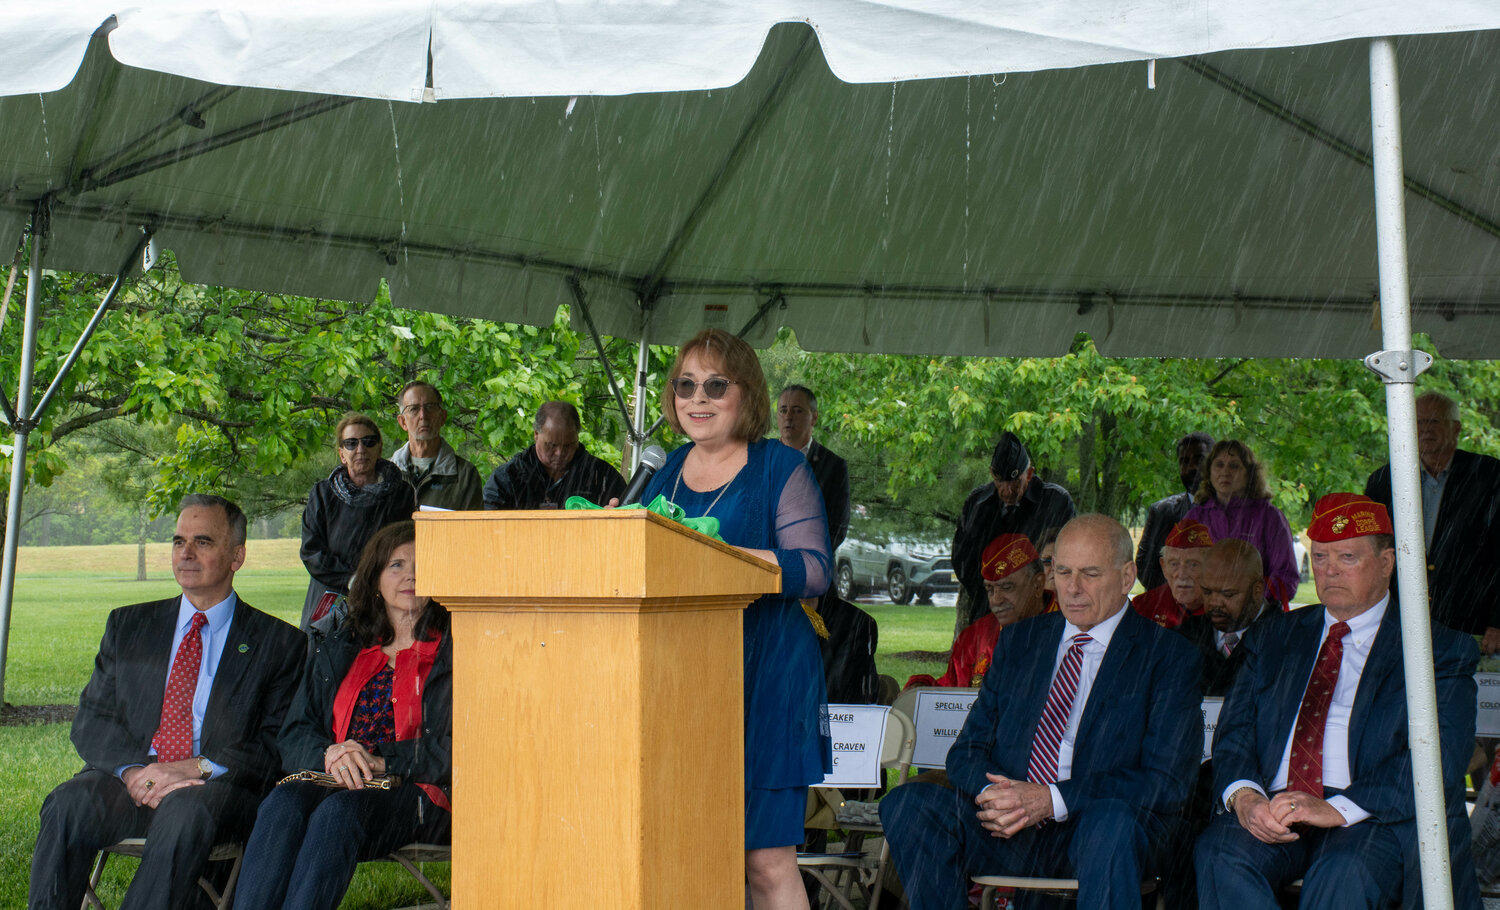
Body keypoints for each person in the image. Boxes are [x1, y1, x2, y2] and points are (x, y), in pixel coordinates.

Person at [884, 515, 1202, 909]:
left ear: (1126, 576)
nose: (1072, 588)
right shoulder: (1021, 642)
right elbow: (966, 752)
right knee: (909, 806)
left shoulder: (1169, 657)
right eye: (1062, 571)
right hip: (1011, 826)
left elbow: (1168, 781)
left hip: (1101, 827)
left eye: (1089, 573)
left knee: (1111, 827)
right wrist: (996, 796)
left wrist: (1052, 800)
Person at [1196, 493, 1481, 910]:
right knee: (1219, 854)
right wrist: (1246, 796)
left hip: (1370, 814)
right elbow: (1234, 732)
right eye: (1321, 557)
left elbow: (1439, 758)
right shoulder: (1275, 637)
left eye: (1347, 557)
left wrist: (1337, 808)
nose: (1328, 571)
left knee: (1342, 875)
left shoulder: (1435, 649)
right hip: (1277, 804)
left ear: (1387, 563)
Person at [29, 495, 305, 910]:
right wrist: (136, 772)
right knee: (68, 803)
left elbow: (274, 744)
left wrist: (193, 767)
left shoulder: (279, 643)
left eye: (203, 542)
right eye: (178, 542)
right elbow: (92, 720)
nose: (186, 553)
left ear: (237, 555)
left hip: (217, 788)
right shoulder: (129, 625)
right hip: (134, 780)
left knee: (183, 812)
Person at [640, 327, 832, 910]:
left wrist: (728, 560)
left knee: (763, 859)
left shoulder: (780, 467)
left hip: (767, 677)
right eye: (685, 385)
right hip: (687, 681)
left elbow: (816, 570)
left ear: (745, 394)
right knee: (693, 844)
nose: (697, 398)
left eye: (715, 385)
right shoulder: (666, 470)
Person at [234, 521, 451, 910]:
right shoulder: (342, 645)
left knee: (340, 811)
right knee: (282, 802)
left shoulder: (456, 651)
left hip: (419, 791)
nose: (411, 575)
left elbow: (463, 747)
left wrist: (381, 760)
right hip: (332, 776)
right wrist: (332, 754)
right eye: (396, 565)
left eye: (423, 564)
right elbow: (297, 730)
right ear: (374, 578)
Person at [1365, 390, 1500, 650]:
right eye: (1417, 422)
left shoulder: (1489, 476)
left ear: (1456, 428)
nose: (1424, 429)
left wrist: (1498, 622)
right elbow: (1371, 553)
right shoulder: (1383, 481)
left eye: (1434, 421)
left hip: (1471, 625)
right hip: (1398, 621)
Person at [300, 413, 416, 629]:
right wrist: (352, 580)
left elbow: (405, 549)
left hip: (382, 598)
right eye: (351, 443)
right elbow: (311, 552)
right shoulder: (322, 494)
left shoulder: (402, 494)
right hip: (329, 598)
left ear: (379, 448)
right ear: (342, 454)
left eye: (368, 441)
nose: (360, 449)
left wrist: (373, 582)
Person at [951, 432, 1076, 630]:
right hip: (988, 612)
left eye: (1015, 482)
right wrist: (994, 593)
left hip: (1040, 613)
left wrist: (1027, 594)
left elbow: (1068, 558)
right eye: (1001, 481)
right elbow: (962, 560)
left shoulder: (1055, 502)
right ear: (992, 474)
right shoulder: (977, 504)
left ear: (1029, 473)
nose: (1008, 491)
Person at [906, 534, 1050, 689]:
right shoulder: (975, 637)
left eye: (1007, 587)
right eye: (990, 589)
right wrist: (920, 686)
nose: (996, 600)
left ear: (1037, 584)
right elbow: (950, 692)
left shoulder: (1069, 630)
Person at [1183, 439, 1299, 609]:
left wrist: (1245, 601)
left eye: (1234, 466)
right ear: (1209, 472)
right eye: (1219, 465)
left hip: (1259, 619)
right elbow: (1181, 571)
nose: (1225, 472)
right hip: (1205, 619)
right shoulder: (1194, 518)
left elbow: (1286, 578)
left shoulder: (1269, 517)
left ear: (1249, 473)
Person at [483, 400, 626, 509]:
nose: (559, 453)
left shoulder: (603, 478)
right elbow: (488, 528)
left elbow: (630, 524)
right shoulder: (506, 478)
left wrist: (617, 518)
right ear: (536, 434)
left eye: (568, 445)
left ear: (577, 437)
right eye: (552, 445)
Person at [1178, 539, 1269, 698]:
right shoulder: (1183, 638)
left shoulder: (1287, 640)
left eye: (1228, 594)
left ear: (1257, 590)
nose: (1214, 602)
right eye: (1207, 592)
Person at [390, 380, 484, 511]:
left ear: (443, 417)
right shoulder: (386, 473)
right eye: (414, 409)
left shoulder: (465, 475)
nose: (423, 416)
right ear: (403, 422)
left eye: (430, 407)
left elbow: (471, 529)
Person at [1137, 432, 1214, 590]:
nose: (1192, 467)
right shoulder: (1162, 512)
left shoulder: (1237, 514)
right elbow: (1145, 570)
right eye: (1184, 461)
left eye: (1199, 459)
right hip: (1173, 609)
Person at [777, 384, 851, 550]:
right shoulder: (760, 458)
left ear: (814, 418)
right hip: (765, 567)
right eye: (783, 410)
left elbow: (837, 529)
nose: (788, 416)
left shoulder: (834, 466)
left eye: (797, 410)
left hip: (813, 568)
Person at [1130, 519, 1213, 629]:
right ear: (1164, 567)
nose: (1182, 574)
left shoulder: (1221, 608)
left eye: (1193, 564)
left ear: (1211, 567)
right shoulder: (1143, 607)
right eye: (1174, 564)